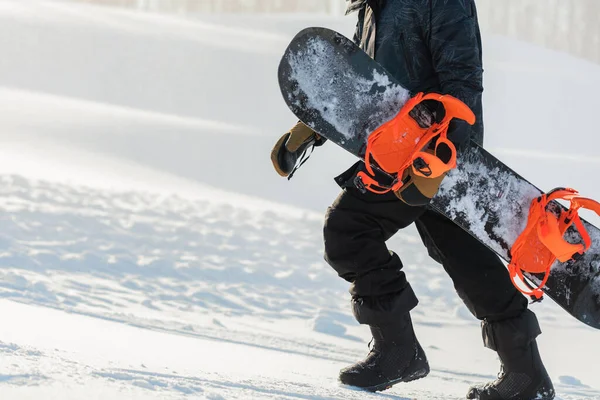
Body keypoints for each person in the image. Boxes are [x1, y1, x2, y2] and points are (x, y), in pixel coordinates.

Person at [271, 1, 555, 399]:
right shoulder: (372, 6)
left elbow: (463, 79)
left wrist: (443, 157)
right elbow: (357, 84)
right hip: (396, 156)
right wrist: (312, 126)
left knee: (349, 230)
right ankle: (526, 377)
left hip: (431, 156)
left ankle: (398, 351)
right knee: (466, 260)